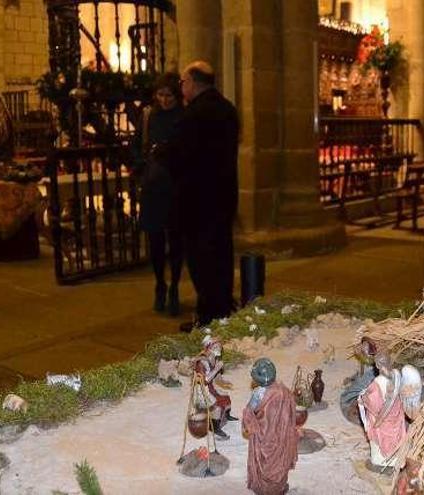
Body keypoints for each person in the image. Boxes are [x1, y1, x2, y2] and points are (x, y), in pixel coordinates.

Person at [170, 61, 239, 331]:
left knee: (201, 261)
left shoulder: (195, 114)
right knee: (221, 256)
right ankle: (222, 312)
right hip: (223, 196)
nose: (181, 88)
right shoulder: (228, 109)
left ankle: (208, 317)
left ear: (194, 83)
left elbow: (182, 156)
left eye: (182, 82)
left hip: (198, 201)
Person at [133, 73, 185, 315]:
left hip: (175, 183)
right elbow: (138, 147)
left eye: (169, 96)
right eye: (161, 95)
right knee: (155, 238)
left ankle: (174, 285)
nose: (164, 100)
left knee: (175, 239)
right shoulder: (148, 116)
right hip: (154, 184)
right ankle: (160, 284)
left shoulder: (184, 116)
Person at [243, 358, 298, 495]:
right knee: (279, 461)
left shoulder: (257, 394)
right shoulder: (284, 391)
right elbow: (292, 411)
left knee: (264, 462)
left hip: (263, 436)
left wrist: (248, 423)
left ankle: (263, 488)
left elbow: (249, 412)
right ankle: (278, 488)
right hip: (280, 435)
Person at [192, 334, 237, 440]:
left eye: (220, 346)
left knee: (226, 397)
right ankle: (214, 429)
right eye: (216, 347)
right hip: (202, 391)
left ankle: (226, 416)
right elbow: (204, 381)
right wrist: (216, 369)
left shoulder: (215, 359)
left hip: (211, 386)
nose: (219, 349)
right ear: (209, 348)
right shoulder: (202, 362)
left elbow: (217, 377)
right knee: (216, 408)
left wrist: (224, 381)